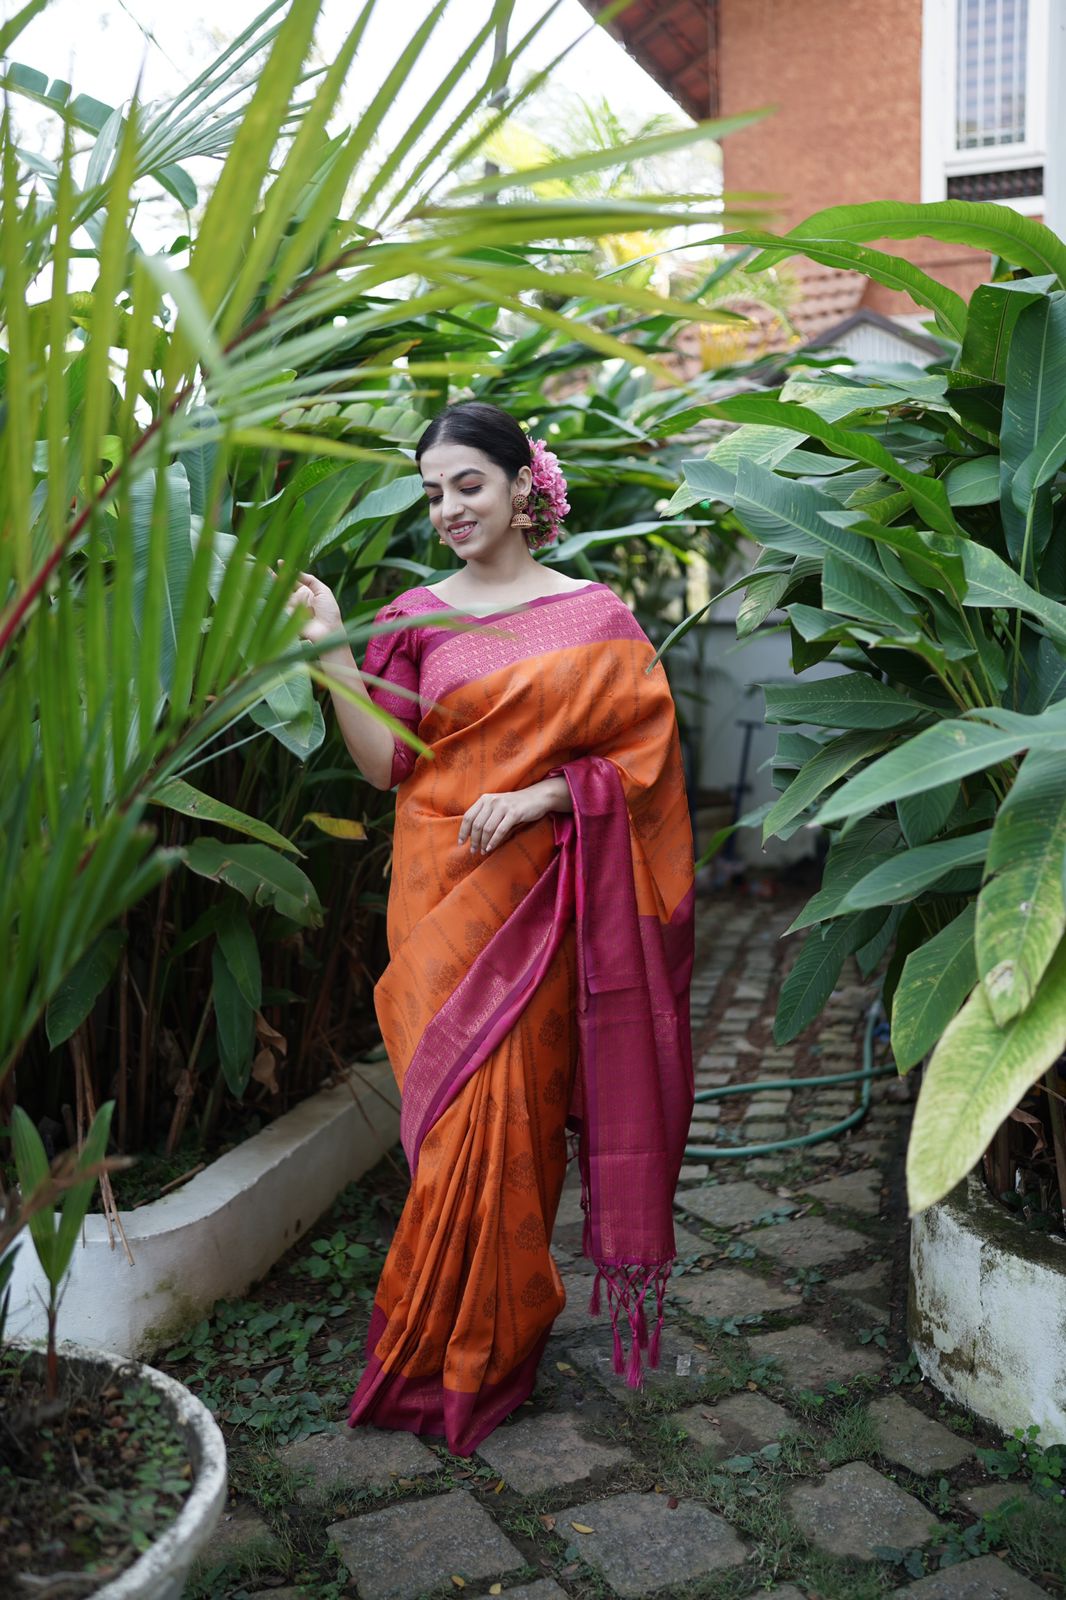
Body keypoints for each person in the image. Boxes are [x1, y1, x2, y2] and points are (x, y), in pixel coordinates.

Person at [287, 400, 694, 1456]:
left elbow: (643, 767)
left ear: (524, 485)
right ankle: (432, 1347)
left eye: (466, 482)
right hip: (440, 895)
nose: (448, 507)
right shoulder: (418, 613)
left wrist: (547, 798)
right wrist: (333, 647)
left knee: (510, 1126)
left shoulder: (599, 615)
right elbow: (388, 764)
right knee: (451, 1130)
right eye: (431, 493)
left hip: (542, 899)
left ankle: (491, 1349)